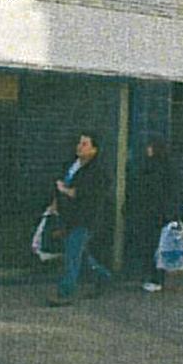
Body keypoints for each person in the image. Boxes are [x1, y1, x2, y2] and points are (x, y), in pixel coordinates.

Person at [47, 131, 112, 306]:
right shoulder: (72, 165)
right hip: (69, 216)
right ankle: (102, 276)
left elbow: (87, 193)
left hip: (85, 218)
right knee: (79, 253)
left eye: (85, 144)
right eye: (79, 143)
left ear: (94, 150)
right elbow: (60, 184)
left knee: (72, 254)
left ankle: (65, 292)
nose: (79, 147)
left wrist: (66, 191)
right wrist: (55, 204)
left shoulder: (97, 171)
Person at [136, 136, 183, 292]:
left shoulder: (157, 168)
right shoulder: (165, 167)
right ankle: (156, 277)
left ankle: (156, 278)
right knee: (156, 246)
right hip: (157, 213)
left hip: (157, 214)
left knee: (155, 246)